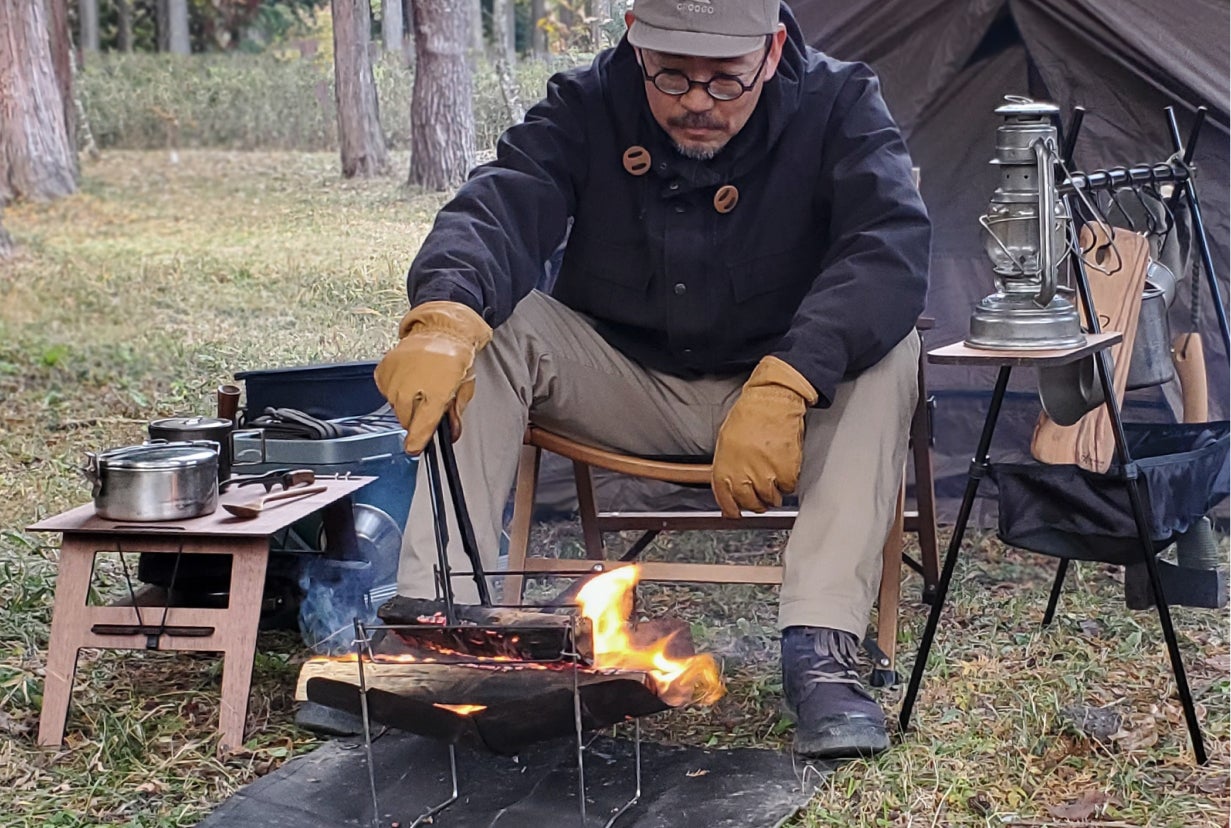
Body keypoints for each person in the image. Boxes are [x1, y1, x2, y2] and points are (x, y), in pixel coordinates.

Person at [375, 0, 929, 759]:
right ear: (633, 37)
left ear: (771, 52)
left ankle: (823, 650)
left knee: (890, 346)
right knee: (490, 328)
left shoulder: (840, 102)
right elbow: (501, 203)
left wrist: (789, 381)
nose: (696, 102)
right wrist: (442, 312)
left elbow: (887, 248)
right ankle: (441, 630)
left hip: (787, 398)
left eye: (724, 80)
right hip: (624, 382)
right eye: (671, 76)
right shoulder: (587, 101)